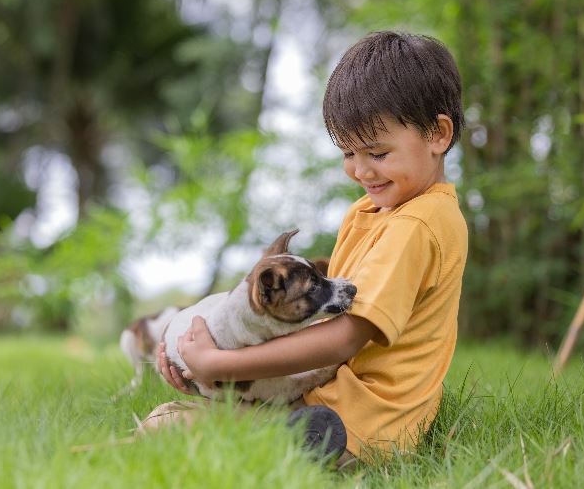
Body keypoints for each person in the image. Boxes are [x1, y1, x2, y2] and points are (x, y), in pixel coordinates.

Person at [147, 30, 469, 467]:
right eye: (349, 152)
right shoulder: (372, 212)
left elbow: (344, 337)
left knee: (168, 429)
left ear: (438, 134)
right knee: (168, 418)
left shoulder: (417, 224)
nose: (359, 170)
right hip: (326, 396)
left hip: (364, 420)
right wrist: (203, 358)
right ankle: (284, 432)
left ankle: (310, 443)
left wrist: (222, 365)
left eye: (376, 152)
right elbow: (316, 313)